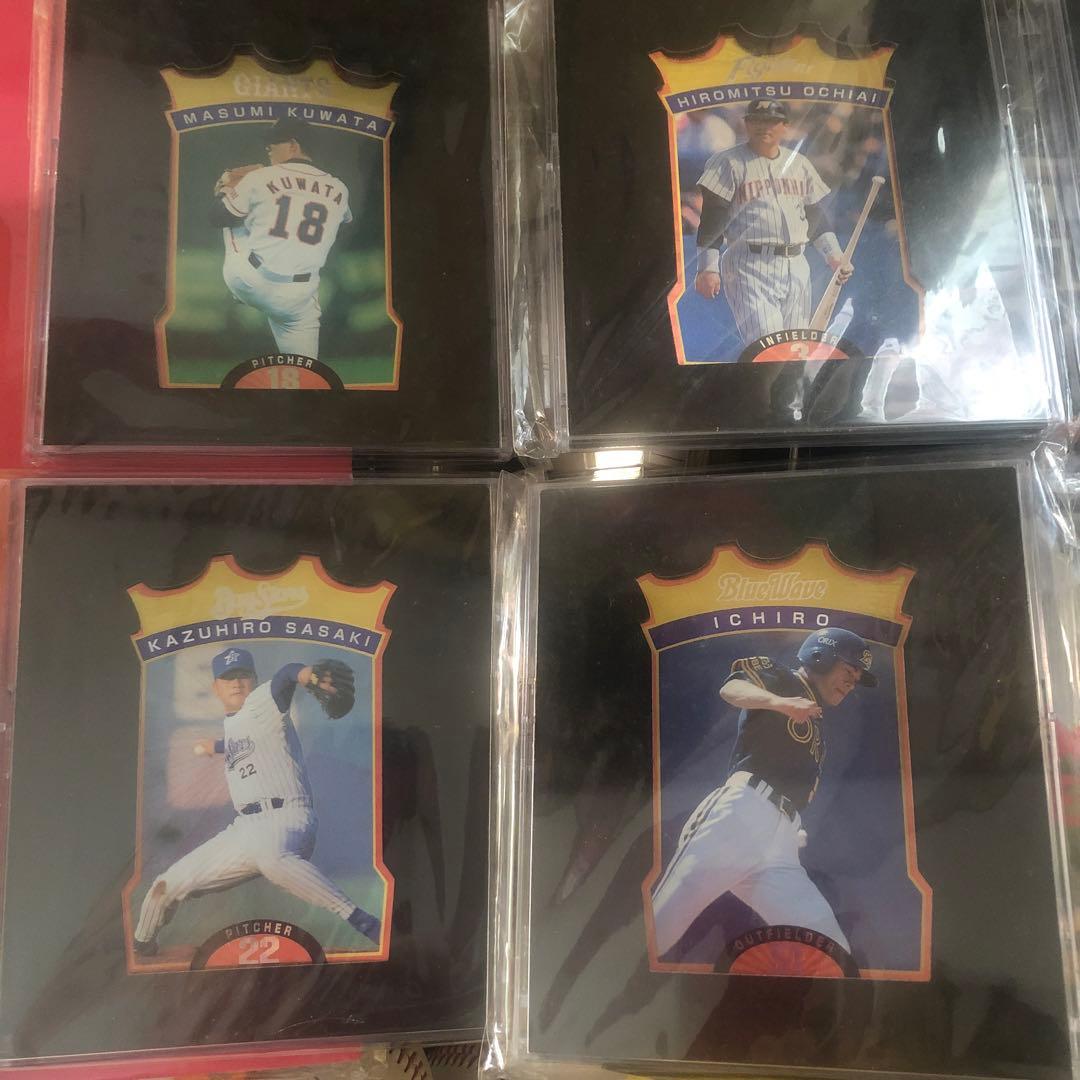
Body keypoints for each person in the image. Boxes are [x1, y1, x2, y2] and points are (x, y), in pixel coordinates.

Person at [133, 647, 379, 955]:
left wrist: (307, 675)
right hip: (245, 828)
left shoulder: (263, 702)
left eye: (242, 675)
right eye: (228, 678)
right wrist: (214, 746)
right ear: (216, 687)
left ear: (254, 679)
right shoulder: (234, 724)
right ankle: (141, 946)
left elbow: (287, 673)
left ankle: (364, 921)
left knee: (270, 857)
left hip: (287, 818)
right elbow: (243, 742)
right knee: (166, 885)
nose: (236, 683)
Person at [650, 628, 878, 960]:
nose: (851, 682)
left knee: (828, 945)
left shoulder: (813, 717)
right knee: (662, 922)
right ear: (820, 657)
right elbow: (731, 688)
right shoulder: (783, 678)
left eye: (856, 678)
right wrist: (779, 702)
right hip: (741, 814)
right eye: (848, 670)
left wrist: (788, 824)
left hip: (780, 845)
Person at [693, 100, 853, 347]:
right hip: (749, 264)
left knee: (796, 348)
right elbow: (713, 216)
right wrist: (707, 267)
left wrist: (833, 254)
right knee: (768, 348)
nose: (763, 126)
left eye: (771, 121)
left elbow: (814, 215)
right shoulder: (728, 162)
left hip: (796, 265)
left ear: (785, 127)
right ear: (746, 124)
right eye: (756, 120)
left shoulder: (799, 163)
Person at [209, 118, 353, 360]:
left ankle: (239, 293)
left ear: (293, 145)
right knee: (306, 370)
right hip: (298, 298)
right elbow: (343, 225)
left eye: (274, 143)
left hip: (249, 280)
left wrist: (225, 190)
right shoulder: (340, 187)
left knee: (233, 214)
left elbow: (217, 217)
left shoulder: (260, 177)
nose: (268, 148)